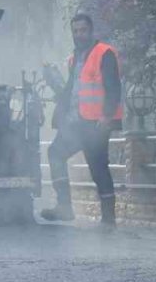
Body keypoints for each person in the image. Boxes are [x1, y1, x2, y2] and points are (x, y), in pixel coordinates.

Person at [40, 14, 123, 229]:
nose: (79, 34)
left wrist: (106, 116)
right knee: (55, 153)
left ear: (91, 30)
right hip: (75, 123)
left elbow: (113, 87)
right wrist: (55, 87)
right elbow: (72, 90)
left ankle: (108, 220)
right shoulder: (74, 58)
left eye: (83, 30)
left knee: (98, 168)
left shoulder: (104, 53)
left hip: (95, 124)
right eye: (75, 31)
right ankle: (64, 207)